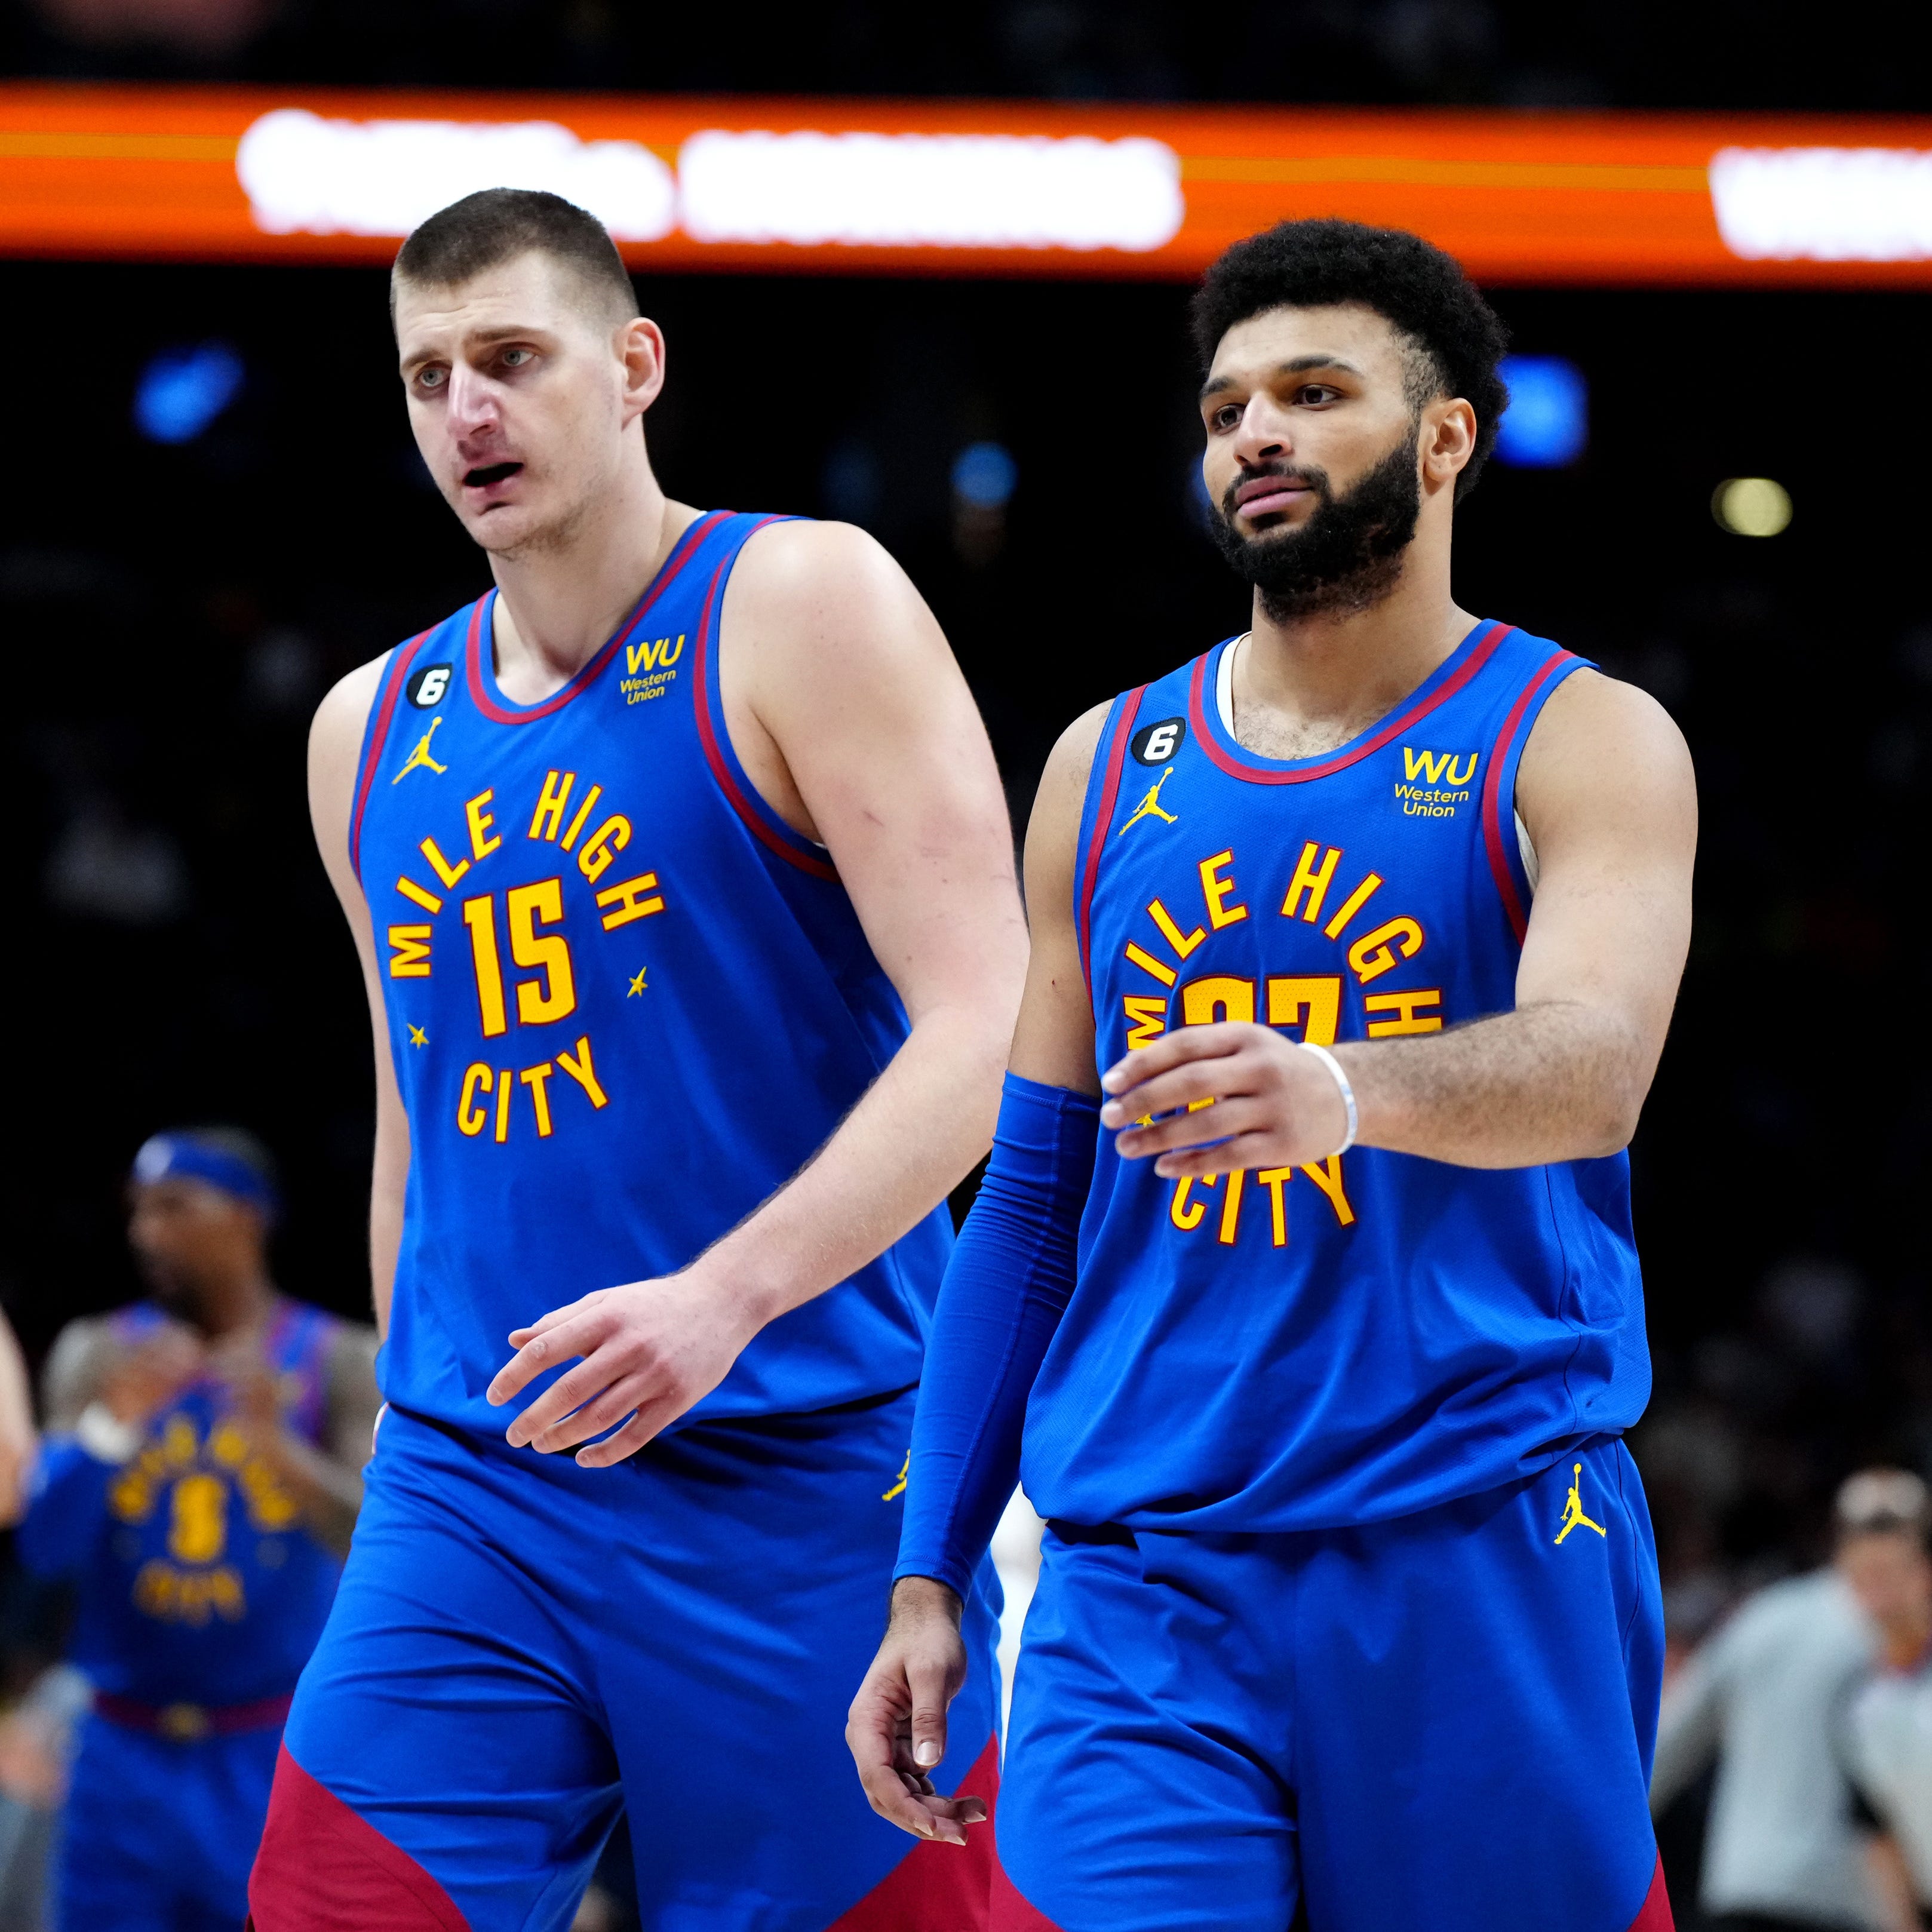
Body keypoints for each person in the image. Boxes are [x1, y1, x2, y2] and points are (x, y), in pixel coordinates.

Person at [848, 217, 1697, 1932]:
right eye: (1229, 403)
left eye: (1313, 393)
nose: (1255, 433)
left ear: (1447, 433)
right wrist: (929, 1565)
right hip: (1141, 1578)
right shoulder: (1103, 761)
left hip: (1472, 1539)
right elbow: (1026, 1200)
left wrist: (1345, 1090)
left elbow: (1596, 1067)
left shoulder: (1575, 733)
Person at [247, 188, 1025, 1930]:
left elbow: (990, 1022)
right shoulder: (367, 726)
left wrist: (724, 1296)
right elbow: (414, 1122)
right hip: (479, 1482)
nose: (469, 413)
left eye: (511, 359)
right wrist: (403, 1406)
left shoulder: (799, 597)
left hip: (816, 1472)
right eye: (427, 373)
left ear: (633, 365)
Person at [0, 1127, 380, 1932]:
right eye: (139, 1211)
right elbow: (42, 1547)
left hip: (269, 1746)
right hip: (119, 1750)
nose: (146, 1232)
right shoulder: (98, 1354)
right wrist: (110, 1430)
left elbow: (376, 1543)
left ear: (247, 1215)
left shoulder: (334, 1357)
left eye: (174, 1207)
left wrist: (280, 1451)